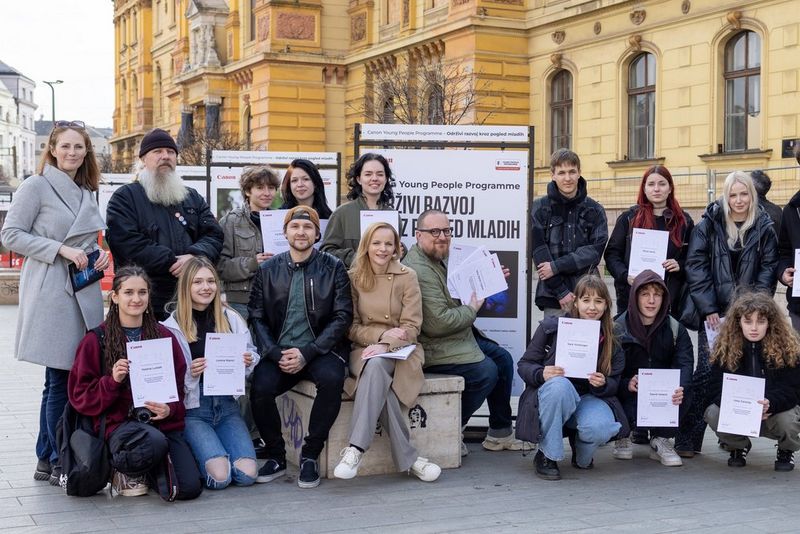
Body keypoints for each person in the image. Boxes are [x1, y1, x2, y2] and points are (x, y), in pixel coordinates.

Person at [1, 120, 109, 485]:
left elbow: (87, 241)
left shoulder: (86, 190)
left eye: (79, 147)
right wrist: (59, 248)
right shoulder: (36, 185)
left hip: (83, 289)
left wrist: (99, 255)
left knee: (67, 377)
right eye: (65, 146)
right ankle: (53, 456)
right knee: (59, 377)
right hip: (51, 289)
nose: (72, 153)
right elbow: (11, 234)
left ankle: (47, 457)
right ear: (52, 149)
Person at [67, 266, 202, 499]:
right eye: (128, 292)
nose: (136, 299)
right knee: (152, 442)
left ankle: (147, 470)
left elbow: (180, 390)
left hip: (161, 424)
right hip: (119, 427)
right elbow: (80, 397)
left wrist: (170, 409)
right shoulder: (96, 340)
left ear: (150, 297)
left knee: (188, 488)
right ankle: (120, 468)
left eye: (142, 292)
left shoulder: (164, 336)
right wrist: (112, 381)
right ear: (115, 297)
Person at [248, 206, 353, 488]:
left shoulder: (333, 267)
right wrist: (272, 352)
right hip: (279, 351)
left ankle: (310, 455)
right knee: (260, 387)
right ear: (285, 233)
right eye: (295, 227)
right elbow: (256, 315)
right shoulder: (268, 269)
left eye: (308, 227)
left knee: (332, 380)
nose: (301, 232)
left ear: (317, 233)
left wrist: (308, 352)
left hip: (319, 350)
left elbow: (343, 316)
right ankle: (276, 455)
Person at [402, 209, 522, 456]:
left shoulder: (442, 257)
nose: (442, 237)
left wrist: (488, 278)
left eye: (446, 231)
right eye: (434, 231)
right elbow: (438, 324)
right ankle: (453, 427)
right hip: (433, 345)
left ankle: (500, 433)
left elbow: (460, 290)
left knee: (503, 359)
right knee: (486, 371)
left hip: (456, 338)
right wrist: (471, 309)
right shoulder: (418, 270)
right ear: (418, 235)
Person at [676, 171, 778, 457]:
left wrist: (751, 308)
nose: (739, 200)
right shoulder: (708, 224)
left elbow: (768, 270)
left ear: (752, 196)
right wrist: (708, 307)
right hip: (713, 315)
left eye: (744, 194)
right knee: (707, 373)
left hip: (748, 316)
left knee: (739, 371)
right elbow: (695, 266)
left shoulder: (764, 226)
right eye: (733, 195)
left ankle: (732, 435)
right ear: (725, 196)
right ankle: (688, 437)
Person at [333, 222, 441, 482]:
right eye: (376, 243)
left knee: (378, 367)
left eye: (388, 244)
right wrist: (379, 337)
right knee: (376, 369)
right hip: (364, 350)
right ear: (366, 245)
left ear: (396, 247)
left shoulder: (408, 276)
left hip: (402, 351)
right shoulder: (354, 276)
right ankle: (411, 458)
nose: (382, 249)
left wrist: (387, 344)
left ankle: (355, 448)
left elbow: (412, 326)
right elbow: (352, 327)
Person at [162, 257, 260, 490]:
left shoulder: (231, 318)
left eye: (210, 281)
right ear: (186, 286)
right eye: (197, 282)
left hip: (226, 407)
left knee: (247, 475)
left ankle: (218, 452)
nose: (206, 287)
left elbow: (252, 355)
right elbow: (169, 381)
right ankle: (198, 456)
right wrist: (190, 373)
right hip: (193, 411)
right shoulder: (170, 326)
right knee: (219, 478)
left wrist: (248, 360)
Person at [517, 275, 628, 480]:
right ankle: (547, 455)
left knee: (600, 428)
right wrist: (541, 373)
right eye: (586, 300)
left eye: (598, 301)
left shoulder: (613, 336)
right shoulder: (551, 327)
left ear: (606, 305)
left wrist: (603, 384)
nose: (592, 307)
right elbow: (524, 365)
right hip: (555, 395)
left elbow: (616, 383)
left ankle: (581, 447)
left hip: (588, 398)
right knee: (559, 386)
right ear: (575, 302)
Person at [106, 128, 224, 320]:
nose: (165, 156)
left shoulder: (191, 196)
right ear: (143, 159)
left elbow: (214, 235)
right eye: (158, 152)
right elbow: (127, 243)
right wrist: (174, 261)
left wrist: (194, 256)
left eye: (170, 152)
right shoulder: (125, 198)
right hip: (145, 301)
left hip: (191, 300)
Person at [703, 291, 800, 471]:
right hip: (740, 412)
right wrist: (737, 405)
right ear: (738, 323)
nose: (754, 327)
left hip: (772, 413)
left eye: (760, 321)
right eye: (748, 321)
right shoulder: (725, 348)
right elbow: (714, 389)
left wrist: (769, 403)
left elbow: (793, 390)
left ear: (770, 323)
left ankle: (786, 449)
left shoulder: (788, 348)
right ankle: (738, 446)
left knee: (789, 419)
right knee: (713, 413)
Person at [614, 270, 694, 466]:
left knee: (688, 390)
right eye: (645, 294)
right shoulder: (617, 327)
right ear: (634, 297)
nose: (651, 300)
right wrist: (626, 383)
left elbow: (685, 364)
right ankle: (623, 433)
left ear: (664, 298)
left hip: (662, 397)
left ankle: (661, 439)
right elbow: (608, 369)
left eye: (657, 294)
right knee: (610, 390)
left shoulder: (675, 328)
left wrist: (680, 387)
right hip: (630, 394)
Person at [604, 165, 694, 317]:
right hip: (631, 297)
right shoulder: (629, 218)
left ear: (670, 188)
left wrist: (680, 265)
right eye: (651, 184)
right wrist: (625, 275)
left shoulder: (684, 221)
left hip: (670, 299)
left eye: (662, 184)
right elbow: (612, 255)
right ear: (644, 189)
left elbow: (695, 259)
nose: (656, 189)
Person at [531, 149, 608, 317]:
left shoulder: (595, 210)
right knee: (553, 342)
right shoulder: (539, 208)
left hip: (589, 295)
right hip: (553, 295)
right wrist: (561, 291)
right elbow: (539, 254)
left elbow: (594, 252)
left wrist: (556, 266)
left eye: (572, 172)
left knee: (590, 342)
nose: (567, 178)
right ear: (552, 175)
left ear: (579, 173)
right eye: (561, 172)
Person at [218, 165, 281, 321]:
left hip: (274, 300)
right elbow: (220, 266)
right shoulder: (230, 221)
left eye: (271, 188)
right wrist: (253, 263)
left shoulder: (281, 220)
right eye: (260, 188)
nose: (267, 193)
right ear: (247, 191)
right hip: (240, 304)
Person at [322, 153, 398, 267]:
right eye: (368, 174)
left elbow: (395, 254)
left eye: (380, 174)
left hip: (387, 282)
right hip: (352, 281)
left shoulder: (393, 216)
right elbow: (327, 252)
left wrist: (400, 249)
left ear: (386, 179)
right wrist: (356, 258)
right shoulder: (342, 214)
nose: (374, 178)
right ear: (358, 179)